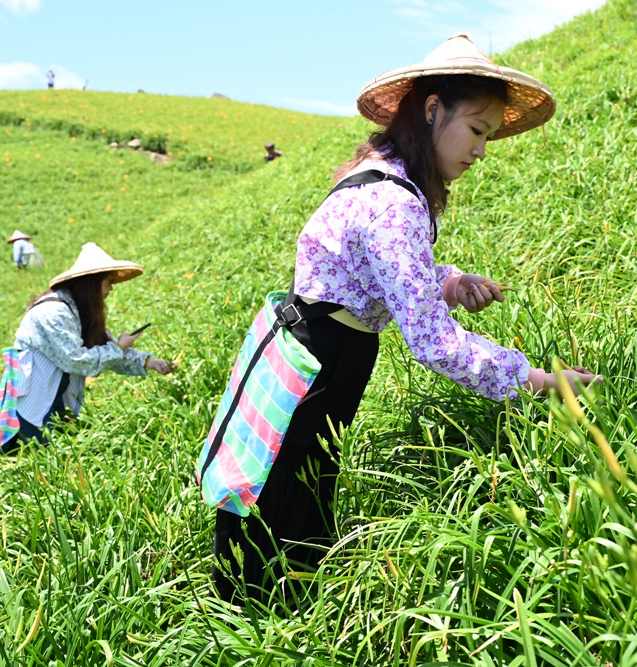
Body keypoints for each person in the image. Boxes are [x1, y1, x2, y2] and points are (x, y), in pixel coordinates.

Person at [211, 34, 602, 603]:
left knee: (289, 487)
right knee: (290, 506)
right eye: (476, 130)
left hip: (309, 344)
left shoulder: (380, 172)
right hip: (322, 360)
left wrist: (445, 281)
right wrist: (539, 382)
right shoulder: (395, 201)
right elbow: (433, 344)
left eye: (489, 137)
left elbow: (371, 269)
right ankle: (264, 624)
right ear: (432, 109)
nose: (481, 152)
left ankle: (261, 617)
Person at [0, 242, 174, 454]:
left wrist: (149, 362)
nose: (112, 288)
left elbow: (104, 348)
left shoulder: (78, 310)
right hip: (33, 397)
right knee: (42, 459)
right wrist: (119, 347)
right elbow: (78, 361)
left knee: (55, 456)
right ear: (92, 284)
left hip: (53, 393)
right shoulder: (54, 312)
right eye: (109, 282)